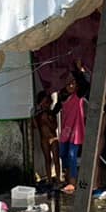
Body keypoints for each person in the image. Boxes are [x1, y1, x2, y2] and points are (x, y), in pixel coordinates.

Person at [57, 61, 89, 194]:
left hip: (75, 131)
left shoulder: (78, 96)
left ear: (77, 86)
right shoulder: (63, 97)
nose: (70, 85)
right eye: (68, 83)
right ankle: (67, 178)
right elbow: (55, 110)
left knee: (72, 155)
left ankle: (72, 182)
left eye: (73, 83)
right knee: (63, 155)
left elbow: (85, 84)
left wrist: (78, 70)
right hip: (65, 131)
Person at [33, 90, 62, 183]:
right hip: (44, 140)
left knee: (56, 159)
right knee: (47, 160)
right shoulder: (38, 115)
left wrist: (47, 120)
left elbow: (55, 126)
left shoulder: (51, 114)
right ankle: (49, 180)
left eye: (47, 103)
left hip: (53, 138)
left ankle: (58, 178)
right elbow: (35, 127)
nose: (46, 105)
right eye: (44, 103)